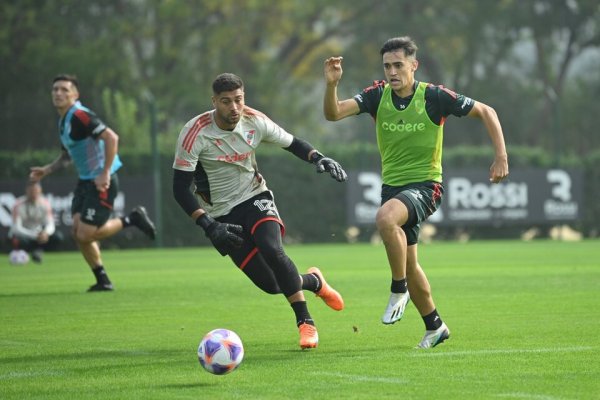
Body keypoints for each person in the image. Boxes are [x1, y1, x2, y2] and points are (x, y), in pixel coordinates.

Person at [323, 36, 509, 348]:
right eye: (387, 66)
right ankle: (434, 326)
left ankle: (398, 288)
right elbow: (333, 114)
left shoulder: (434, 96)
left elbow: (487, 111)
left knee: (385, 219)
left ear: (413, 65)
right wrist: (331, 85)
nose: (392, 72)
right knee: (409, 262)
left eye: (398, 65)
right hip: (392, 188)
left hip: (426, 186)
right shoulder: (376, 95)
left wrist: (501, 156)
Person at [172, 73, 347, 349]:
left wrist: (318, 157)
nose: (234, 108)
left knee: (272, 250)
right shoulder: (195, 133)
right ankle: (314, 282)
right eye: (226, 102)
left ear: (244, 98)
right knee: (273, 285)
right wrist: (208, 225)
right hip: (221, 216)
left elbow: (293, 143)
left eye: (238, 100)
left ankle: (306, 323)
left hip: (255, 196)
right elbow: (180, 188)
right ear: (214, 101)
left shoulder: (254, 121)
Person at [29, 74, 157, 292]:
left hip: (101, 181)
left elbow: (111, 138)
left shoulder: (80, 115)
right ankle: (103, 280)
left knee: (85, 234)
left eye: (64, 90)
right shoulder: (64, 120)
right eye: (55, 90)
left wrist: (105, 172)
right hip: (86, 181)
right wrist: (47, 170)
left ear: (75, 95)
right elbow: (67, 156)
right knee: (78, 233)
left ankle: (132, 218)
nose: (58, 93)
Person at [8, 181, 64, 263]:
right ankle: (32, 251)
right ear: (26, 191)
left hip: (39, 235)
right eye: (31, 191)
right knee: (19, 241)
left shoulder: (45, 203)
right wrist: (34, 235)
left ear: (40, 191)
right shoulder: (18, 205)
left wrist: (46, 233)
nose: (34, 193)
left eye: (36, 190)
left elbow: (50, 224)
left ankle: (39, 251)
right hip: (25, 235)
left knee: (57, 237)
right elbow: (16, 228)